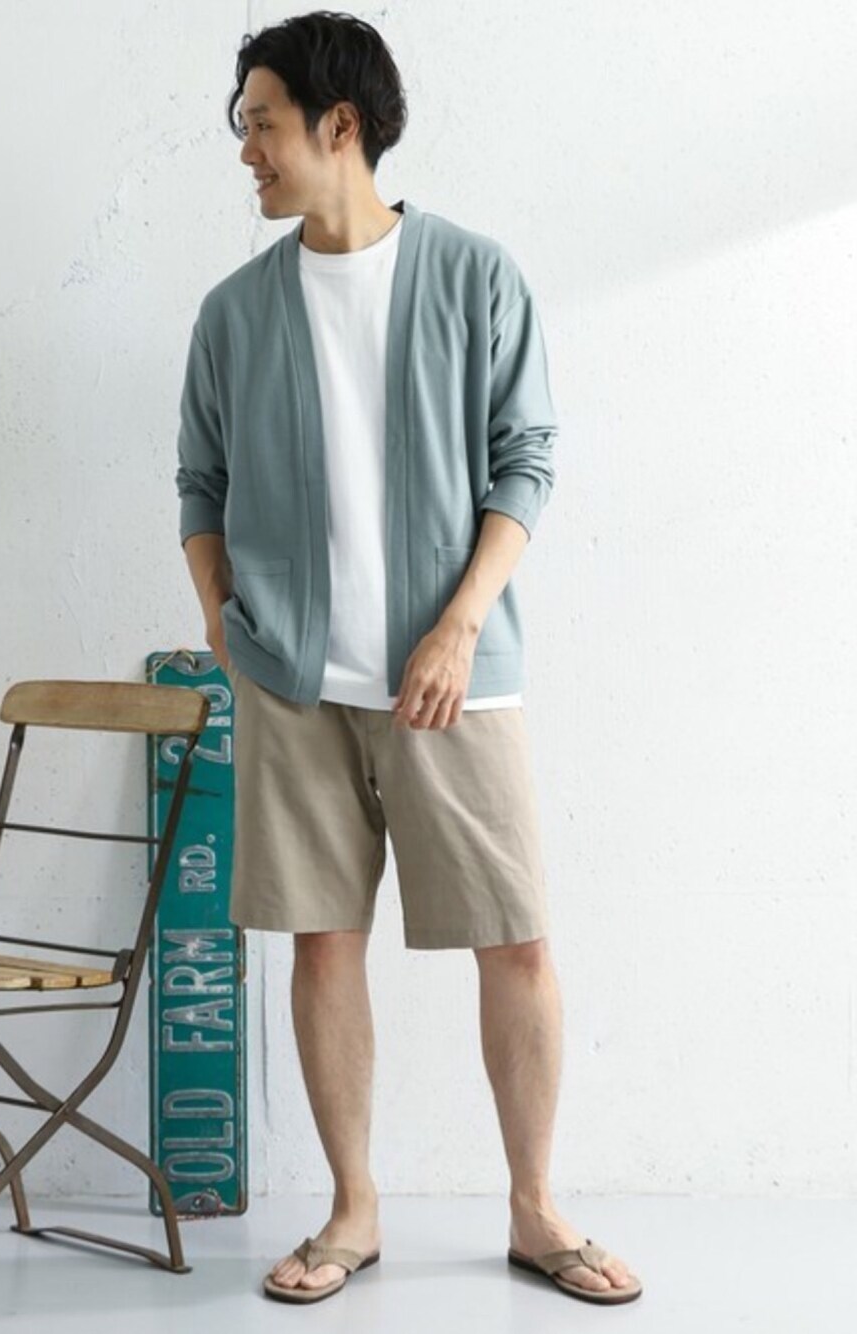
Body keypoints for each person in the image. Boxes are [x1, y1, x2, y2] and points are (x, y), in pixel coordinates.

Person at [176, 9, 641, 1308]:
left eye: (261, 123)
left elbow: (525, 462)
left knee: (517, 940)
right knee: (323, 947)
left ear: (340, 125)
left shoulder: (476, 277)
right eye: (243, 127)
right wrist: (221, 618)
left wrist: (458, 622)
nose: (246, 151)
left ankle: (536, 1208)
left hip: (456, 679)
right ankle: (353, 1209)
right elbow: (199, 480)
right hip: (291, 684)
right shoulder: (233, 312)